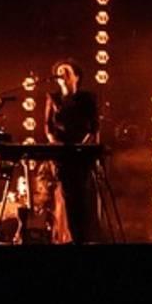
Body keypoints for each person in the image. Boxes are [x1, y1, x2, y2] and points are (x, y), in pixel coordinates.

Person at [43, 58, 98, 244]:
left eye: (66, 72)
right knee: (66, 195)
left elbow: (93, 127)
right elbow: (48, 127)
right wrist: (56, 144)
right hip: (61, 154)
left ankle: (82, 237)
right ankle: (69, 237)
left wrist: (83, 146)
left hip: (82, 153)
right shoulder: (53, 98)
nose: (63, 76)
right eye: (60, 73)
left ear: (76, 77)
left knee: (82, 195)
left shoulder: (87, 98)